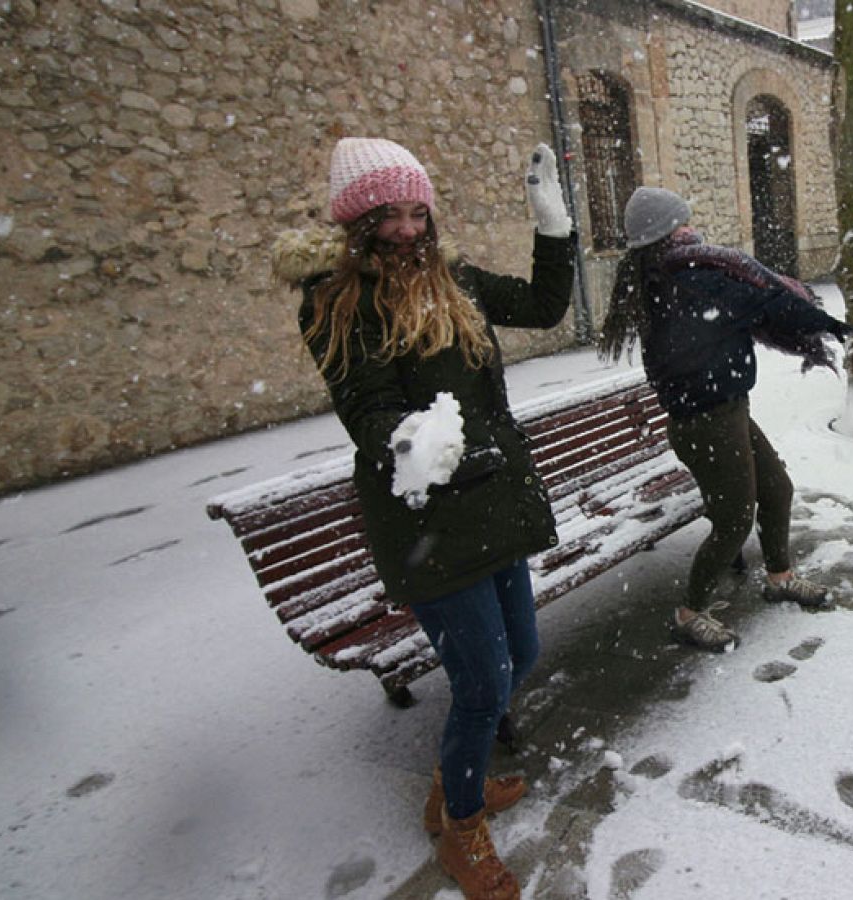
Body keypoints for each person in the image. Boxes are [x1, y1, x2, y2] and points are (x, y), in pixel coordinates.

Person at [272, 136, 575, 900]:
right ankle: (461, 829)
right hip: (426, 521)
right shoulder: (337, 301)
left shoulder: (454, 279)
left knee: (521, 655)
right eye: (388, 215)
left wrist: (552, 228)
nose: (407, 228)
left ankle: (452, 783)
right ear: (356, 222)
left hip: (491, 501)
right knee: (481, 685)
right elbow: (366, 408)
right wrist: (411, 440)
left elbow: (544, 308)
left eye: (416, 211)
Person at [596, 186, 853, 651]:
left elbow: (749, 305)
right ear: (664, 235)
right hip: (704, 423)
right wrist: (818, 322)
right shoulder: (685, 281)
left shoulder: (683, 276)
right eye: (682, 223)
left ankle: (779, 577)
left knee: (776, 489)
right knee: (734, 520)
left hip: (726, 412)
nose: (692, 229)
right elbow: (759, 303)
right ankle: (689, 613)